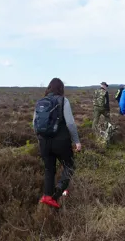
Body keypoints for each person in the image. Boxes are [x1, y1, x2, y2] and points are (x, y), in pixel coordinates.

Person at [33, 78, 82, 208]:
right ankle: (58, 192)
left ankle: (47, 196)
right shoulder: (63, 101)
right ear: (61, 88)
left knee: (49, 169)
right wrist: (76, 141)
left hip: (44, 142)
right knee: (69, 166)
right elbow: (70, 123)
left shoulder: (40, 102)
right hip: (61, 141)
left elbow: (34, 123)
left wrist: (40, 139)